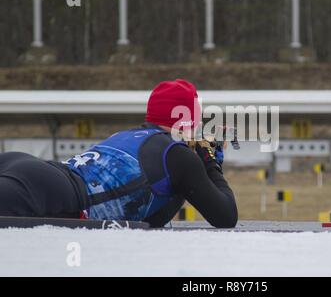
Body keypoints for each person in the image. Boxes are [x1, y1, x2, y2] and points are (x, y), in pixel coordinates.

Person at [0, 79, 238, 228]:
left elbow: (150, 215)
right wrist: (210, 159)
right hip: (52, 191)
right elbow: (225, 216)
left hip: (32, 169)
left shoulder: (127, 135)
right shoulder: (178, 155)